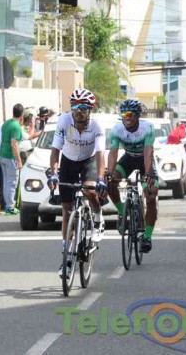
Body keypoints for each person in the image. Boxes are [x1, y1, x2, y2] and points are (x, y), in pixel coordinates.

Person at [47, 89, 107, 276]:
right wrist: (54, 174)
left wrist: (100, 178)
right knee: (66, 210)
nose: (78, 110)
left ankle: (98, 218)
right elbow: (55, 150)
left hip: (89, 161)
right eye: (75, 106)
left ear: (90, 108)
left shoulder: (97, 125)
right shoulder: (64, 121)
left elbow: (100, 154)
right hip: (68, 161)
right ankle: (66, 257)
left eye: (83, 106)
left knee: (90, 190)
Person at [107, 99, 158, 253]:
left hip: (144, 160)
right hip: (128, 159)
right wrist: (109, 173)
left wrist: (148, 174)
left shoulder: (147, 128)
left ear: (137, 115)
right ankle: (122, 211)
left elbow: (148, 153)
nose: (127, 117)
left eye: (130, 114)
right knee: (110, 182)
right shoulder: (117, 129)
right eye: (124, 114)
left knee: (151, 195)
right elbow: (113, 153)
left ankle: (147, 236)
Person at [0, 104, 25, 216]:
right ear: (22, 114)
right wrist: (19, 160)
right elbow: (14, 144)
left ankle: (7, 206)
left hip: (2, 155)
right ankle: (10, 207)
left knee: (6, 182)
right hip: (10, 157)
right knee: (12, 183)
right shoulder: (16, 127)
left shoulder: (6, 123)